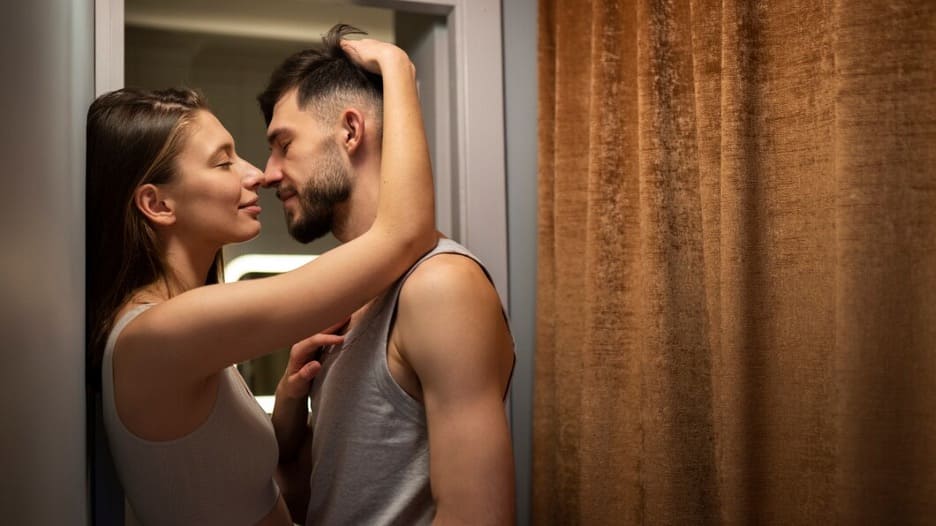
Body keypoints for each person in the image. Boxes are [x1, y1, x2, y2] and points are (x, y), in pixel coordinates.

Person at [86, 36, 434, 526]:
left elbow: (217, 486)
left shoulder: (173, 328)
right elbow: (404, 235)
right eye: (223, 161)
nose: (256, 175)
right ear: (158, 204)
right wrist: (397, 69)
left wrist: (287, 404)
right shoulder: (163, 331)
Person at [260, 25, 516, 525]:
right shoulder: (349, 301)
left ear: (350, 131)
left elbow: (477, 516)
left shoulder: (440, 286)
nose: (268, 173)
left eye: (283, 145)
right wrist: (288, 424)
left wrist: (397, 67)